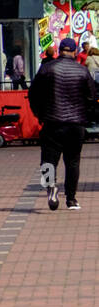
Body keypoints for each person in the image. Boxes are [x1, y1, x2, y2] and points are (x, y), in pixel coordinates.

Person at [28, 36, 95, 211]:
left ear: (59, 51)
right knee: (72, 161)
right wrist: (85, 115)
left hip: (52, 122)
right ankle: (71, 200)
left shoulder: (47, 69)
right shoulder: (82, 71)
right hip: (76, 124)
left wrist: (39, 114)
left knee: (48, 161)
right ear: (74, 52)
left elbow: (33, 93)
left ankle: (51, 188)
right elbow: (91, 96)